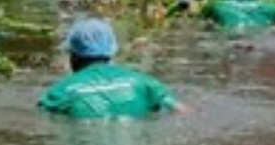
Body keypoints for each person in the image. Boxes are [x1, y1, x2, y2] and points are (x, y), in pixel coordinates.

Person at [39, 18, 189, 119]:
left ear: (73, 55)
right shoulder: (144, 82)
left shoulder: (60, 92)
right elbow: (182, 112)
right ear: (111, 51)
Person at [198, 0, 275, 29]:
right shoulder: (272, 7)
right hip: (261, 41)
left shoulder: (215, 5)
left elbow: (199, 22)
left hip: (229, 43)